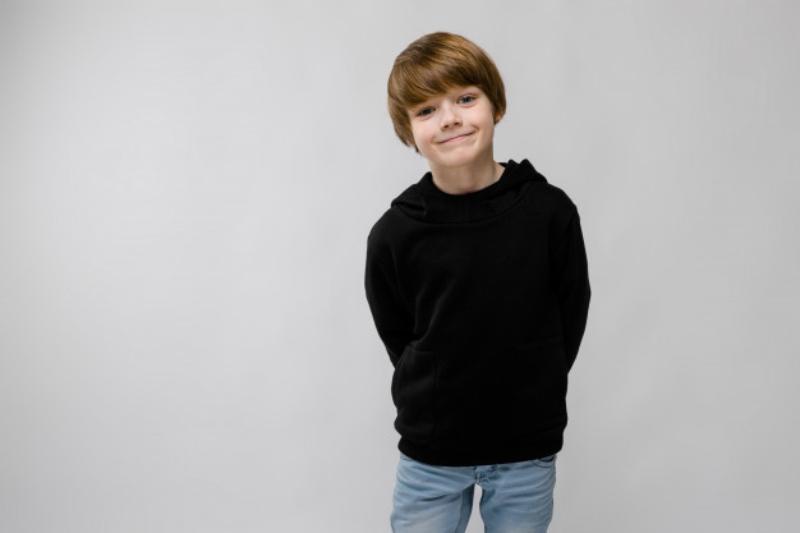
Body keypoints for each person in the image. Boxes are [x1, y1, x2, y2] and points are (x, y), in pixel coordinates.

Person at [364, 31, 591, 533]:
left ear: (496, 106)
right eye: (426, 110)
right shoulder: (395, 233)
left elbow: (570, 315)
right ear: (408, 131)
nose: (449, 119)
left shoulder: (549, 213)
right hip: (431, 454)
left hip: (526, 449)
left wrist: (534, 383)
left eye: (465, 99)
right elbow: (397, 334)